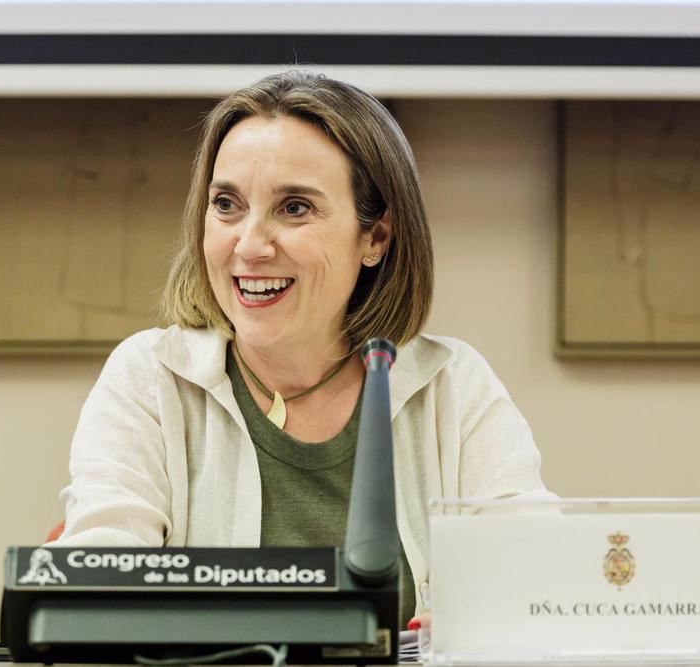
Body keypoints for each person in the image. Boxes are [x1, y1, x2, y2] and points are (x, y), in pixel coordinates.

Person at [54, 70, 553, 628]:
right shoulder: (149, 376)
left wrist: (484, 624)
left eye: (294, 208)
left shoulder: (452, 385)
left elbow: (534, 570)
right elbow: (102, 575)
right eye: (226, 204)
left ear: (376, 238)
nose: (249, 244)